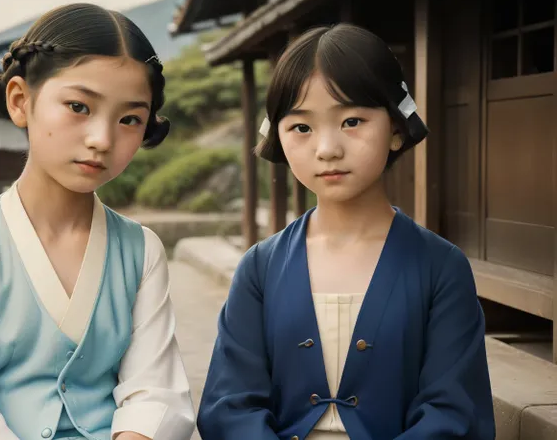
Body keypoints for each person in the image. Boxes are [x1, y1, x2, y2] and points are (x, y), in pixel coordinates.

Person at [0, 3, 195, 440]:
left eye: (130, 119)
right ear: (20, 101)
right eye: (79, 106)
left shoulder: (141, 250)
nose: (102, 139)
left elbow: (156, 395)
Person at [197, 24, 495, 439]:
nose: (327, 148)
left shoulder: (440, 267)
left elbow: (454, 413)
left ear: (395, 128)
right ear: (279, 138)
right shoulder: (259, 269)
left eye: (352, 120)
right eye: (302, 127)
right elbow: (229, 407)